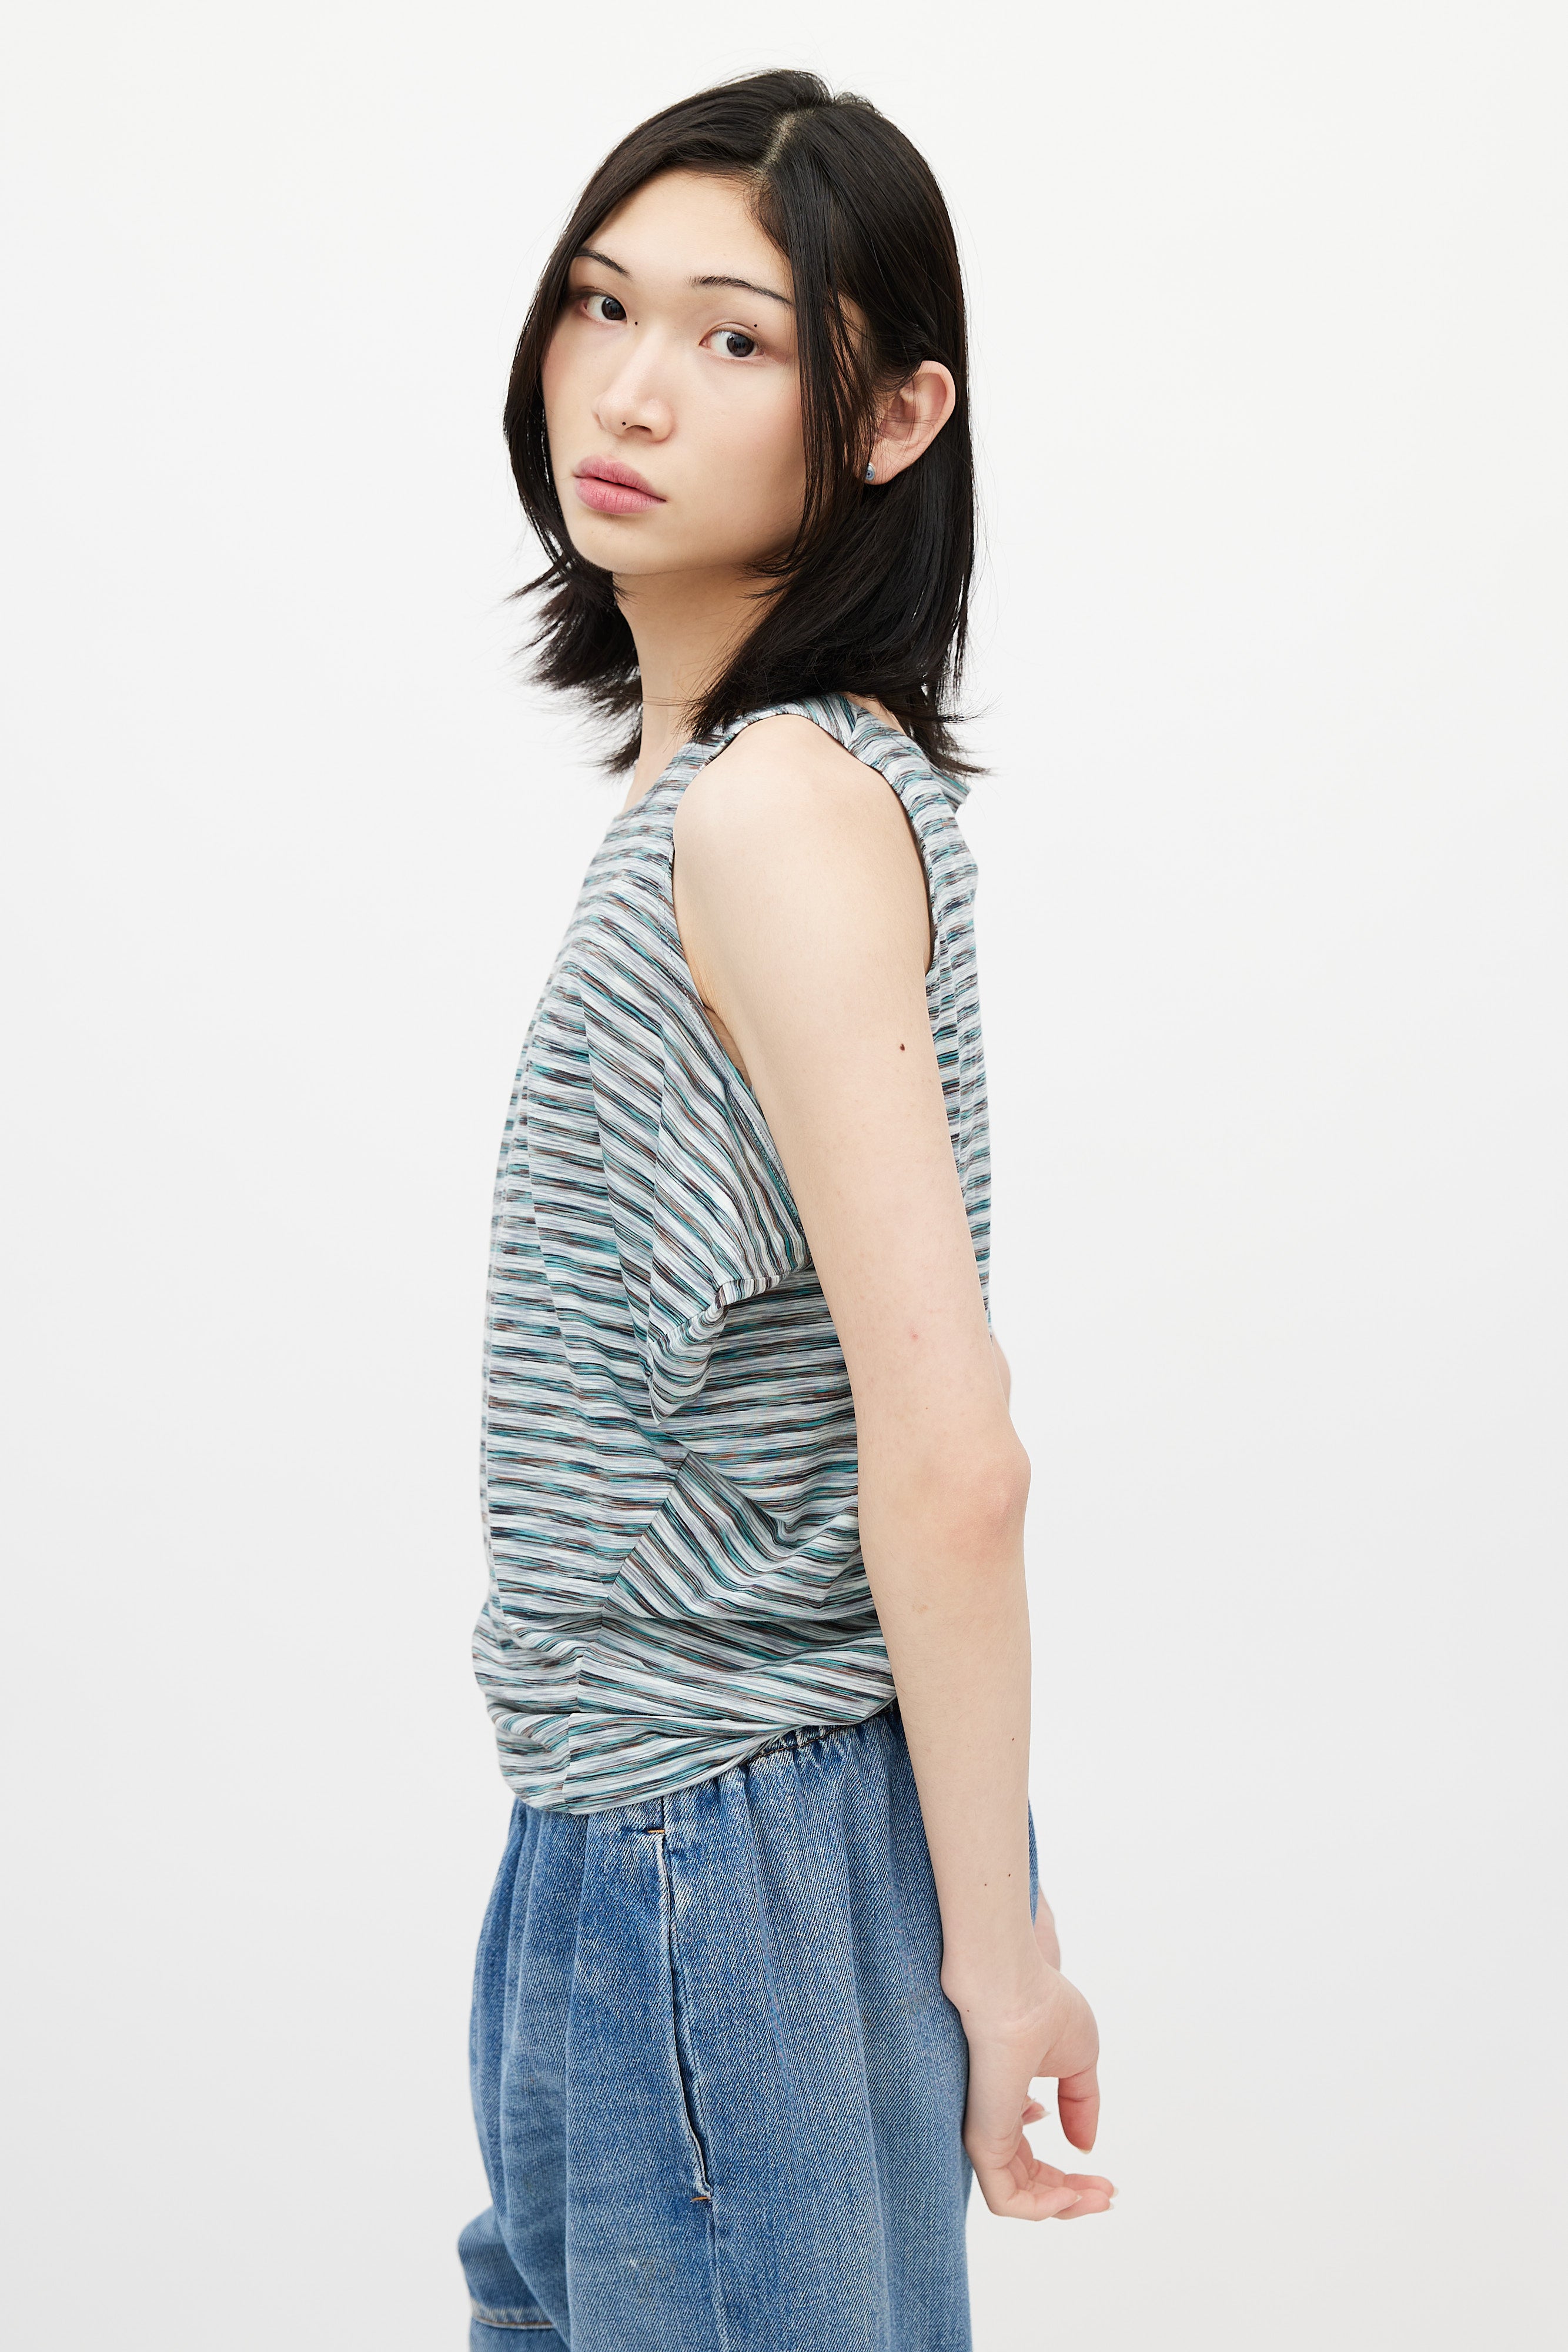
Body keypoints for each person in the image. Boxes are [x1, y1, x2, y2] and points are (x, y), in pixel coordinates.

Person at [459, 69, 1112, 2352]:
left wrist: (998, 1959)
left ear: (897, 415)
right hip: (612, 1835)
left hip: (726, 1848)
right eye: (600, 305)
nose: (630, 389)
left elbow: (950, 1444)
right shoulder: (723, 794)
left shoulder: (777, 813)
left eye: (735, 338)